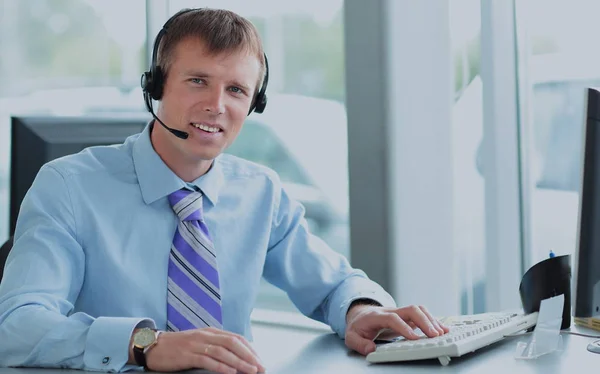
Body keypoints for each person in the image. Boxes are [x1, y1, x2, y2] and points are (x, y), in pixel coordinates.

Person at [0, 8, 448, 374]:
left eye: (236, 89)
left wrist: (360, 310)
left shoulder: (260, 193)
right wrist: (145, 345)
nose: (217, 105)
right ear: (156, 86)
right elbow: (16, 326)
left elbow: (332, 285)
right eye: (198, 81)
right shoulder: (68, 186)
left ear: (254, 104)